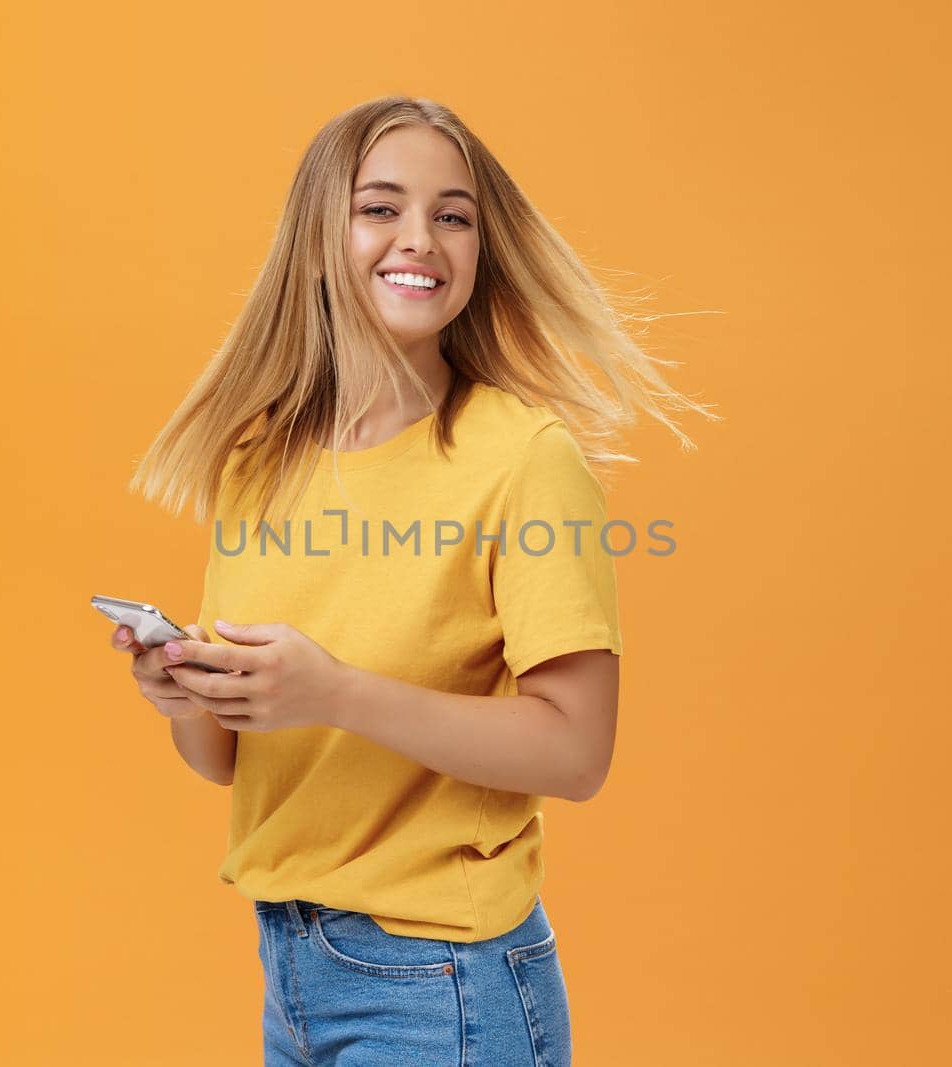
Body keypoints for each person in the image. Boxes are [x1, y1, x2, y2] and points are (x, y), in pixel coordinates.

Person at [110, 96, 715, 1066]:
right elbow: (225, 759)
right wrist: (187, 690)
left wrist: (335, 690)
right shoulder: (259, 463)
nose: (420, 239)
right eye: (380, 207)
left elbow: (577, 751)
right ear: (317, 240)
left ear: (480, 249)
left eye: (453, 214)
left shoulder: (522, 459)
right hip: (293, 970)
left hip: (444, 986)